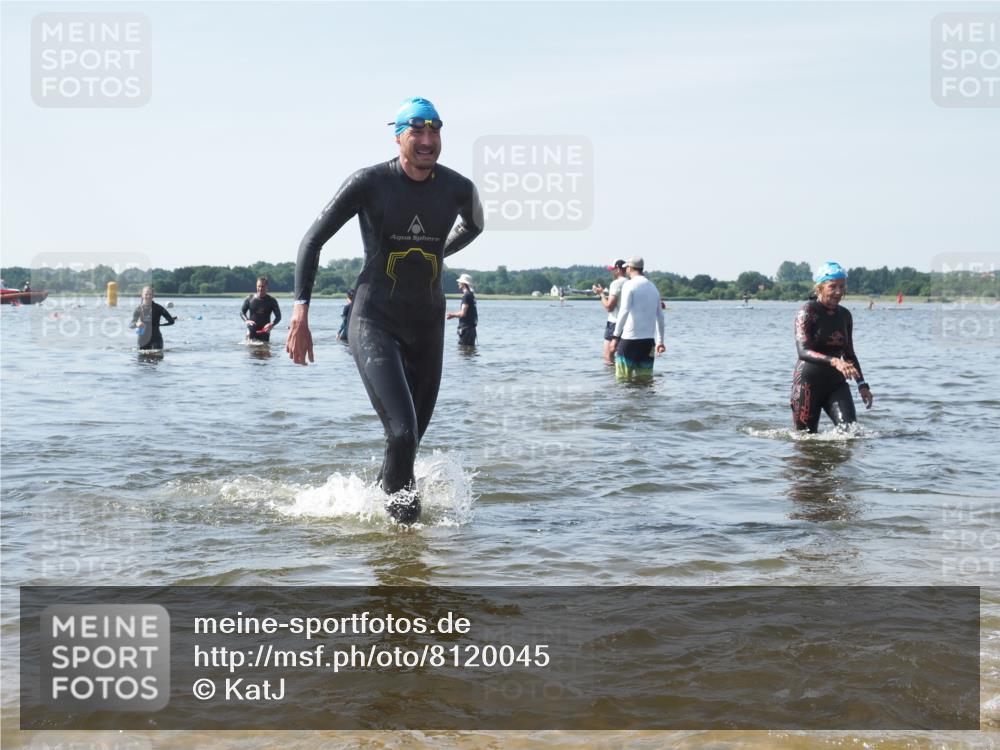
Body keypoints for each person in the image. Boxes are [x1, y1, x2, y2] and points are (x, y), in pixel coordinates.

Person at [286, 96, 484, 523]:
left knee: (407, 441)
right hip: (375, 318)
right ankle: (404, 544)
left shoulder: (459, 189)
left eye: (435, 130)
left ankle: (378, 514)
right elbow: (312, 240)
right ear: (399, 136)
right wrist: (301, 312)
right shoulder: (369, 183)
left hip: (428, 324)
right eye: (418, 131)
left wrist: (437, 252)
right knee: (401, 433)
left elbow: (475, 225)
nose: (428, 140)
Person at [790, 261, 874, 433]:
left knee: (850, 434)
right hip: (807, 385)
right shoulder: (807, 312)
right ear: (820, 288)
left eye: (842, 287)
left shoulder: (844, 315)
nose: (838, 292)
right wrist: (835, 361)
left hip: (836, 385)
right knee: (805, 441)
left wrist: (862, 385)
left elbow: (849, 353)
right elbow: (803, 351)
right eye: (832, 287)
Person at [609, 256, 666, 381]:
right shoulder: (653, 288)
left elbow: (624, 312)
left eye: (627, 268)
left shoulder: (629, 285)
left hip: (629, 341)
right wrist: (660, 342)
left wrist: (615, 337)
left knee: (622, 382)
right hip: (648, 342)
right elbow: (660, 317)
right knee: (645, 381)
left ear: (629, 268)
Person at [592, 259, 627, 365]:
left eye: (613, 269)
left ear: (618, 269)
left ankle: (611, 380)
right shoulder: (630, 282)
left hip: (614, 323)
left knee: (608, 357)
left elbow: (609, 307)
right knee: (623, 357)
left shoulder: (616, 284)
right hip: (628, 324)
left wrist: (601, 294)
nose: (611, 272)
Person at [130, 286, 176, 350]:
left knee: (156, 356)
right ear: (142, 295)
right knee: (141, 358)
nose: (148, 296)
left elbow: (171, 321)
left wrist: (159, 324)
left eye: (150, 294)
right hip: (142, 339)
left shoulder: (159, 308)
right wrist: (136, 324)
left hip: (156, 339)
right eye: (146, 294)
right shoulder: (138, 309)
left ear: (153, 296)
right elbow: (130, 325)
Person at [241, 276, 282, 342]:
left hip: (265, 330)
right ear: (256, 286)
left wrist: (272, 324)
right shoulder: (249, 299)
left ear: (266, 287)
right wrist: (247, 321)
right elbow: (242, 312)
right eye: (258, 286)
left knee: (264, 349)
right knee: (251, 350)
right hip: (252, 329)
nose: (260, 288)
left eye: (263, 286)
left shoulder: (272, 300)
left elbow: (278, 317)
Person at [446, 273, 478, 345]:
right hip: (471, 329)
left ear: (463, 284)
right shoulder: (471, 295)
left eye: (459, 282)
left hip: (466, 330)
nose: (458, 283)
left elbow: (463, 313)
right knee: (469, 353)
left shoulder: (466, 296)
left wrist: (452, 315)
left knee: (463, 353)